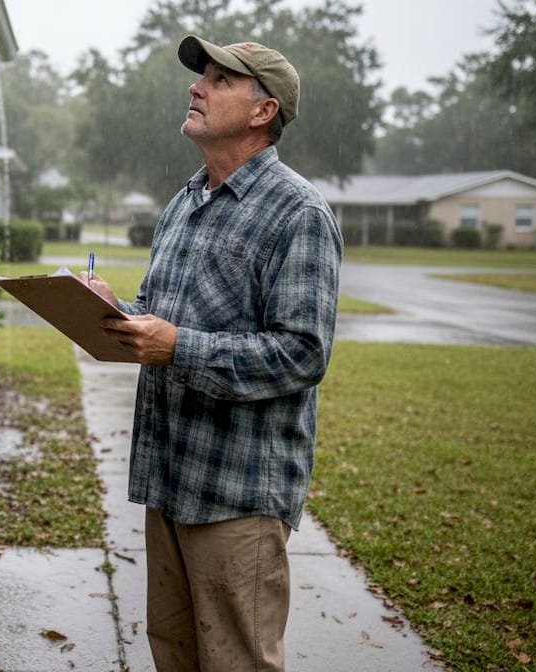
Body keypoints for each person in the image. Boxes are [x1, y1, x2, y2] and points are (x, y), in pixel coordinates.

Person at [82, 35, 342, 671]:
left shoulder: (298, 212)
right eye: (202, 76)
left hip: (238, 492)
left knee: (236, 661)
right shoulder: (185, 201)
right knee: (173, 654)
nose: (197, 86)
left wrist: (179, 347)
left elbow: (302, 353)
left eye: (221, 79)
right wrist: (116, 312)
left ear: (263, 112)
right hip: (170, 475)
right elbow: (162, 317)